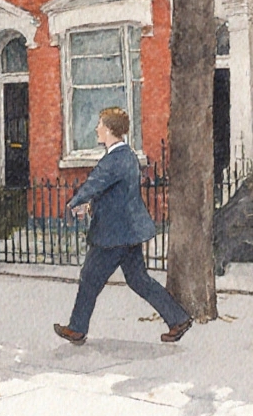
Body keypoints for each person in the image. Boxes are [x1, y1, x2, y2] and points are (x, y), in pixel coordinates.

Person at [54, 108, 193, 345]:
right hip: (128, 231)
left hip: (113, 234)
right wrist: (90, 206)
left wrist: (75, 202)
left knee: (89, 277)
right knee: (138, 279)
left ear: (109, 129)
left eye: (99, 125)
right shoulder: (127, 155)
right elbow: (115, 194)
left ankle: (77, 329)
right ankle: (178, 318)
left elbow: (94, 184)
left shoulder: (114, 159)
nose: (96, 128)